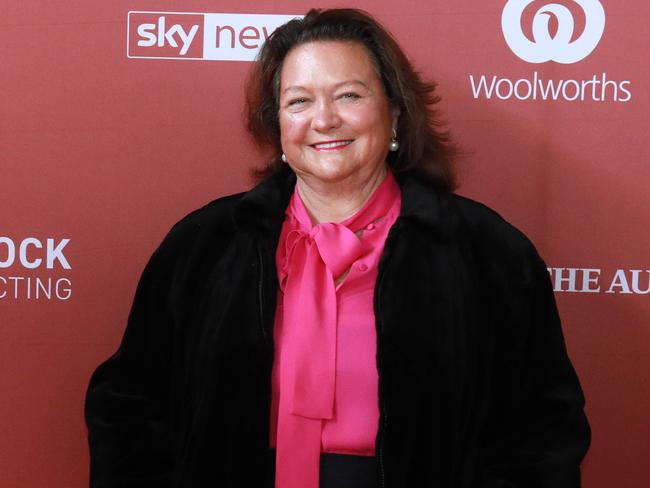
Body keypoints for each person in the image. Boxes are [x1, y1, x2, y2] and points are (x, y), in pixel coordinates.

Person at [85, 8, 590, 488]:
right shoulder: (204, 246)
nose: (323, 120)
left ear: (394, 113)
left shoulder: (486, 253)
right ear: (278, 127)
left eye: (348, 95)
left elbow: (543, 428)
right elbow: (129, 403)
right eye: (299, 101)